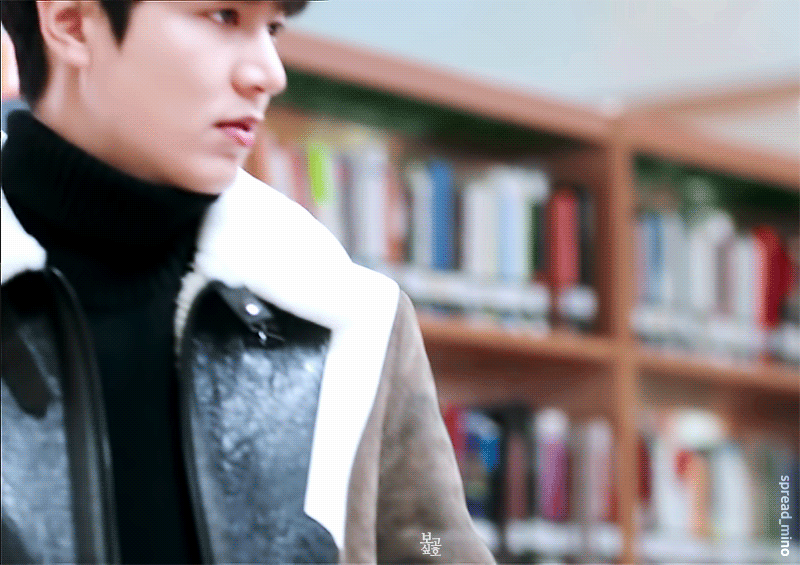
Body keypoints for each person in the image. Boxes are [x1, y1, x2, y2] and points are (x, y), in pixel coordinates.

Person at [0, 1, 495, 563]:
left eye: (273, 27)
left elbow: (429, 539)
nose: (269, 73)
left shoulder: (347, 314)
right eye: (223, 17)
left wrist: (420, 547)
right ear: (71, 22)